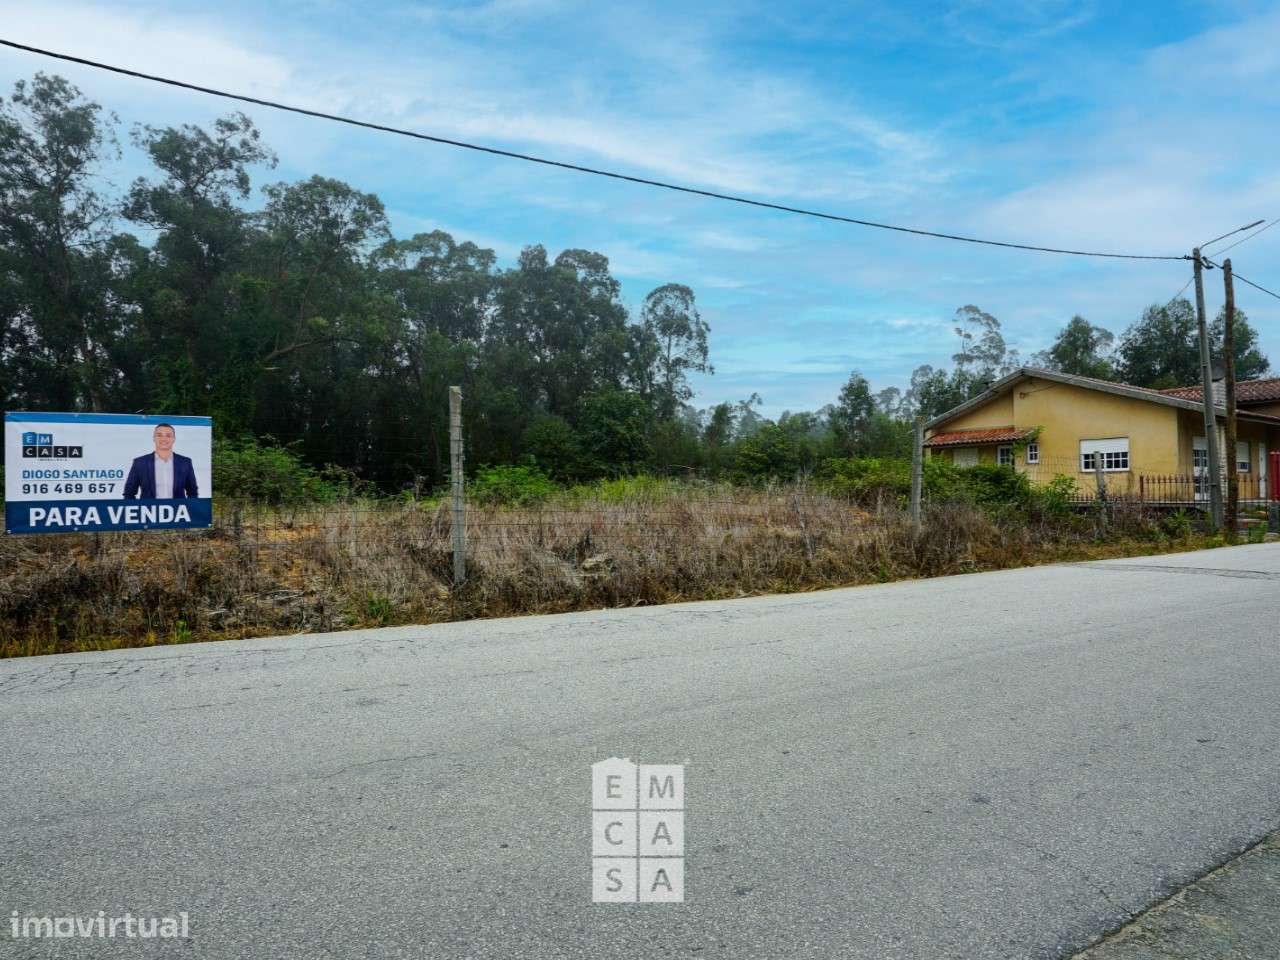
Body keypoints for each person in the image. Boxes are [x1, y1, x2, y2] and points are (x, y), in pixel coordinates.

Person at [123, 423, 199, 499]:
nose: (163, 439)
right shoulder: (140, 463)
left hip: (178, 510)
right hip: (149, 510)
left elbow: (193, 492)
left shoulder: (185, 462)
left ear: (174, 439)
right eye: (159, 435)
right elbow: (129, 494)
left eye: (168, 435)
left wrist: (189, 508)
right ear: (154, 438)